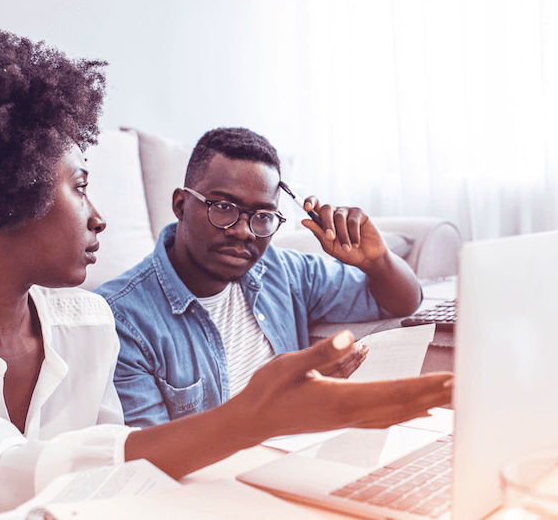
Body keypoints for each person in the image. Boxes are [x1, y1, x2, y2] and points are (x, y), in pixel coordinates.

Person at [0, 30, 451, 520]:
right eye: (79, 187)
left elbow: (114, 488)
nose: (99, 217)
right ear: (2, 195)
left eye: (260, 216)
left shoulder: (86, 322)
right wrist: (254, 418)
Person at [95, 127, 425, 428]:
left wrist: (378, 261)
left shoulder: (285, 273)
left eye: (263, 216)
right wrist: (287, 401)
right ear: (181, 205)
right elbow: (149, 458)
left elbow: (402, 301)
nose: (243, 232)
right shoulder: (122, 319)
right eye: (223, 207)